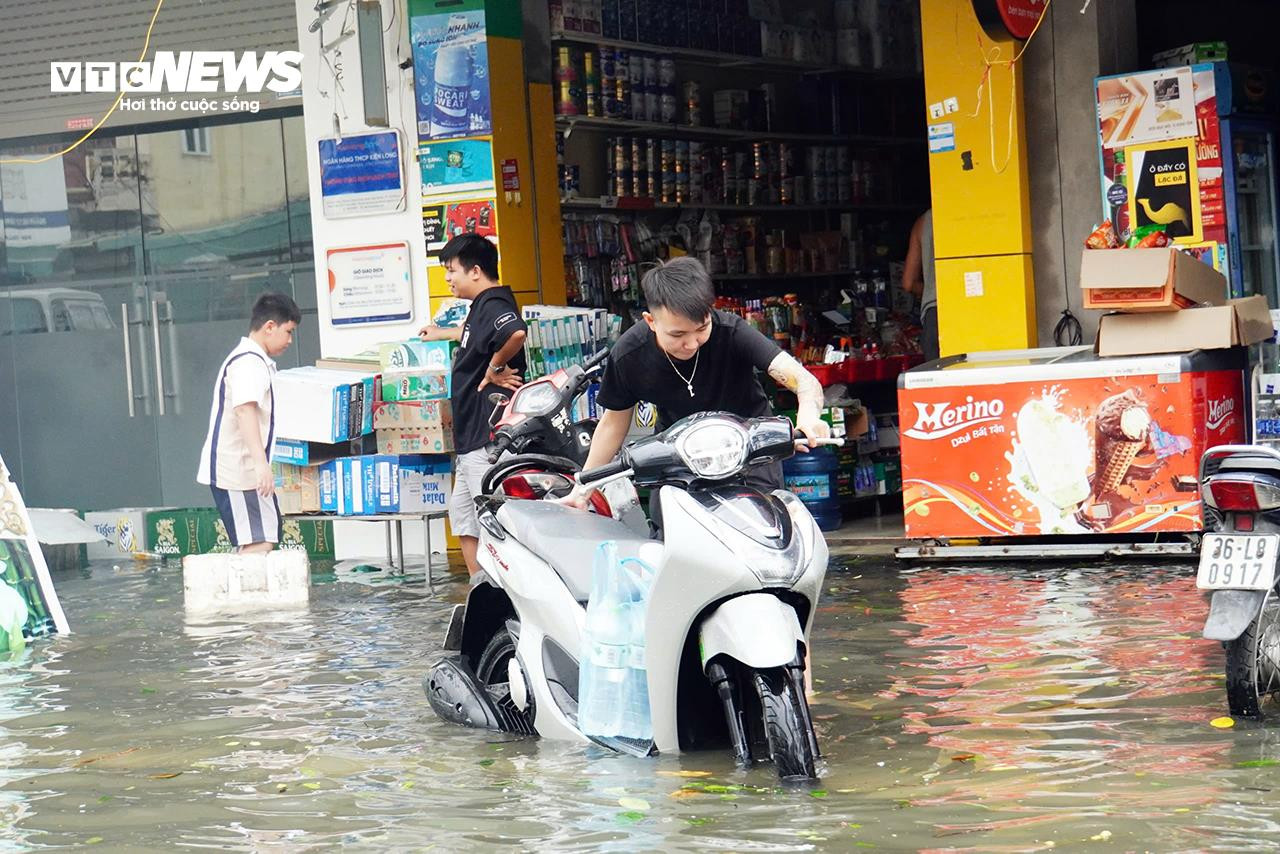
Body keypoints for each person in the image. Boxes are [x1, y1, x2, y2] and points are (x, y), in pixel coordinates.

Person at [571, 256, 829, 503]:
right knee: (671, 530)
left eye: (702, 328)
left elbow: (804, 382)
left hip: (748, 448)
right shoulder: (629, 354)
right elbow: (613, 425)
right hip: (677, 455)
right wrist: (584, 487)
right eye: (678, 334)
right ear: (651, 321)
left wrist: (807, 419)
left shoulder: (732, 331)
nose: (691, 343)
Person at [418, 234, 527, 575]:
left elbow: (515, 333)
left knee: (492, 519)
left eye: (452, 271)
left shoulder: (494, 305)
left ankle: (505, 598)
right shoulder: (480, 308)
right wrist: (443, 333)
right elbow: (475, 335)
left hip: (487, 436)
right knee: (464, 518)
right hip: (470, 439)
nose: (448, 278)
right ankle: (479, 591)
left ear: (476, 271)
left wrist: (495, 368)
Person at [197, 292, 301, 554]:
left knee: (261, 538)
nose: (290, 340)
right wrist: (260, 464)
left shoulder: (254, 361)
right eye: (288, 332)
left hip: (245, 471)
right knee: (258, 541)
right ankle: (236, 593)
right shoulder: (248, 362)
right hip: (238, 471)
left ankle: (240, 591)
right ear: (269, 327)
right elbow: (245, 411)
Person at [902, 208, 939, 362]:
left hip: (934, 315)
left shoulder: (923, 222)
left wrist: (931, 290)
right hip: (970, 310)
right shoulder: (974, 214)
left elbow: (908, 283)